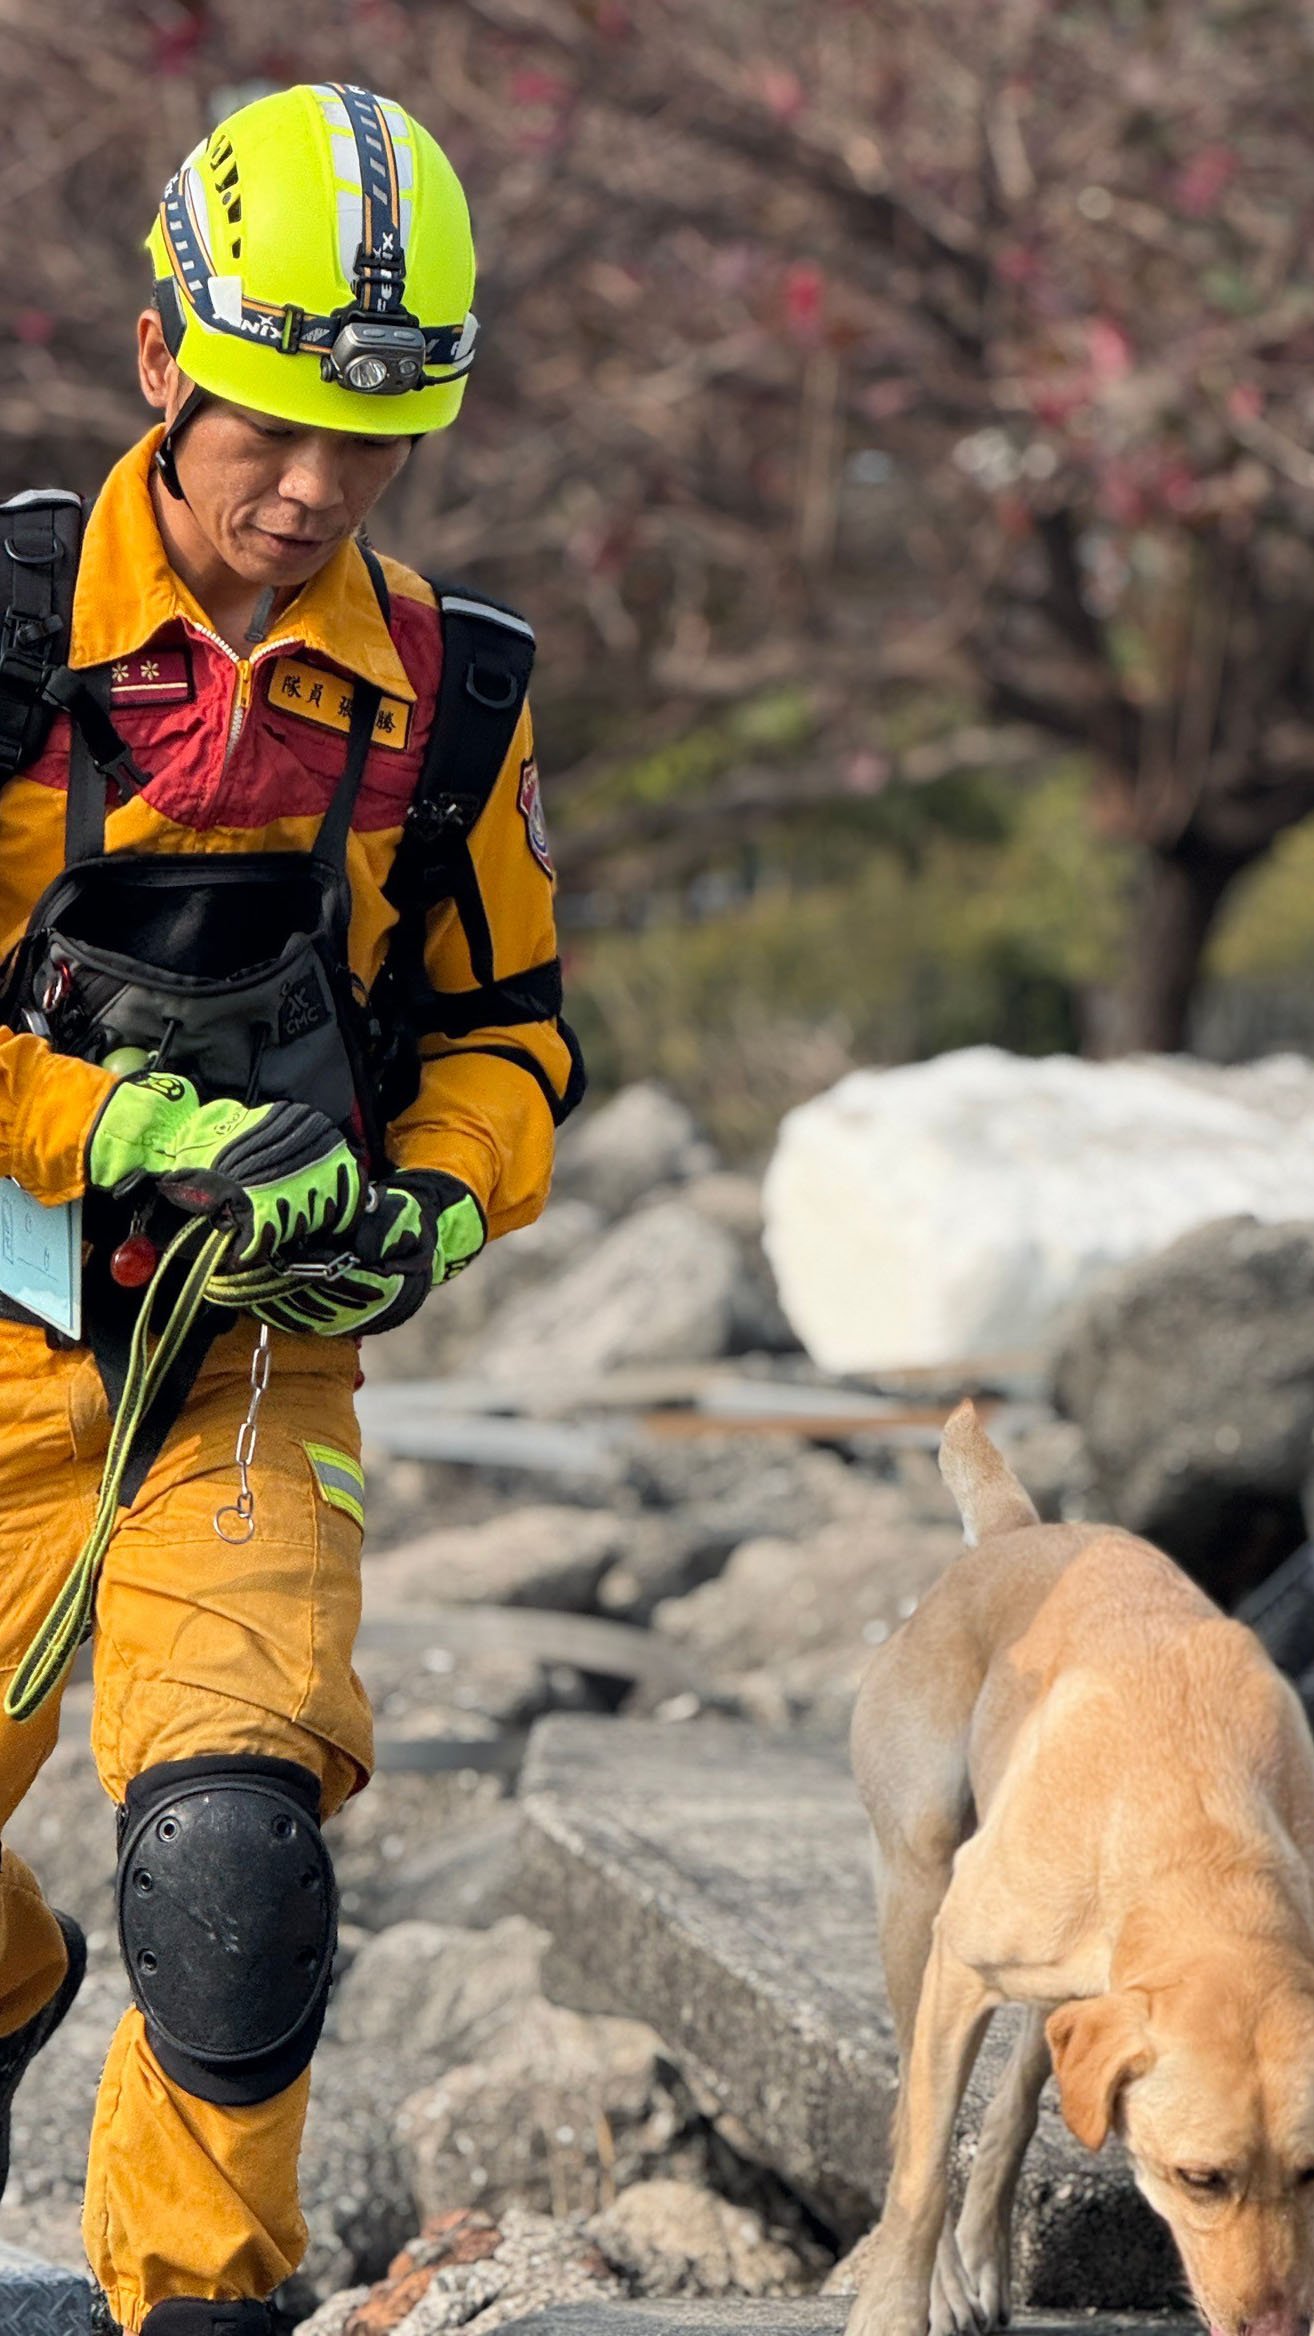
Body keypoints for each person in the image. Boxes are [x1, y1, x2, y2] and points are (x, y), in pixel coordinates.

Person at [0, 81, 583, 2336]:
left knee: (233, 1850)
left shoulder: (453, 699)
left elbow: (510, 1040)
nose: (317, 489)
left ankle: (202, 2304)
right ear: (166, 360)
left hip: (251, 1363)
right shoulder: (20, 626)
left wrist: (429, 1210)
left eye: (380, 442)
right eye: (271, 428)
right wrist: (120, 1129)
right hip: (10, 1308)